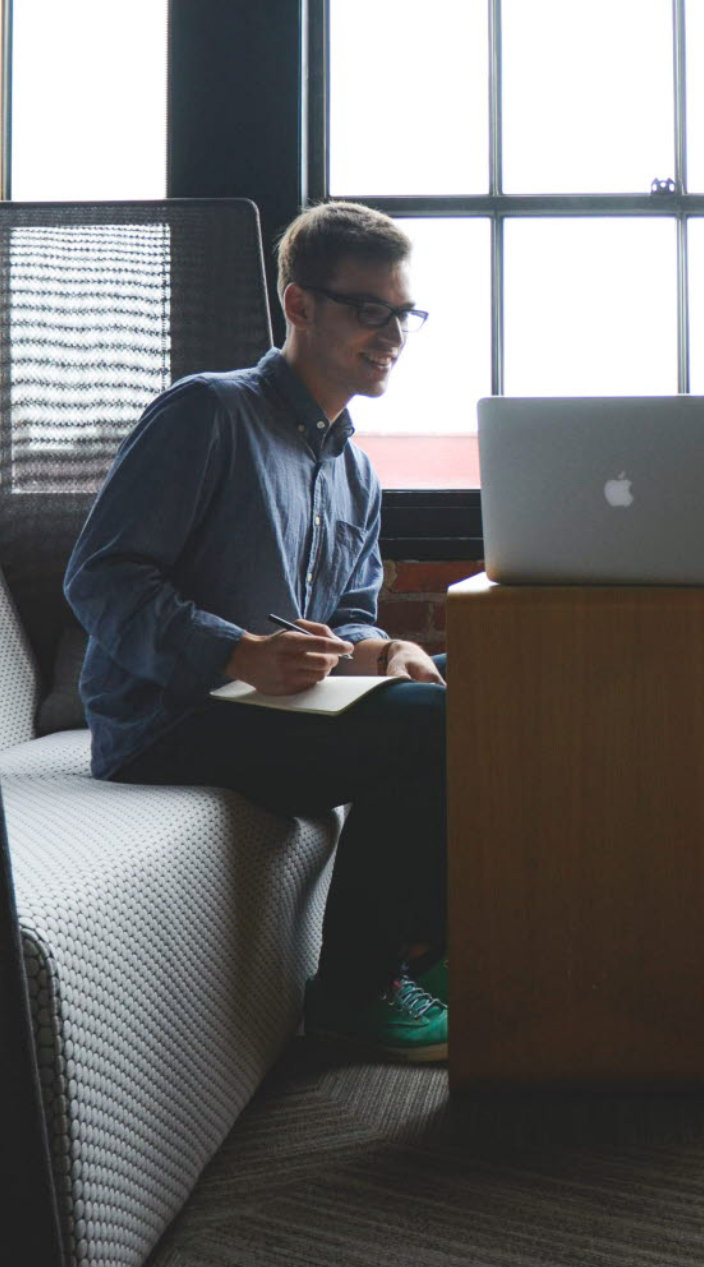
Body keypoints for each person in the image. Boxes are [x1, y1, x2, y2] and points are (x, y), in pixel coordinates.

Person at [64, 201, 452, 1063]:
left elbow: (347, 612)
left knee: (475, 687)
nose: (392, 334)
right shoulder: (206, 412)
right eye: (369, 310)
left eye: (404, 314)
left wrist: (381, 650)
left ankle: (432, 946)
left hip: (281, 709)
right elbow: (100, 577)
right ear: (300, 304)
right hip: (171, 720)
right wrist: (237, 653)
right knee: (438, 727)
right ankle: (355, 994)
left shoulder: (355, 470)